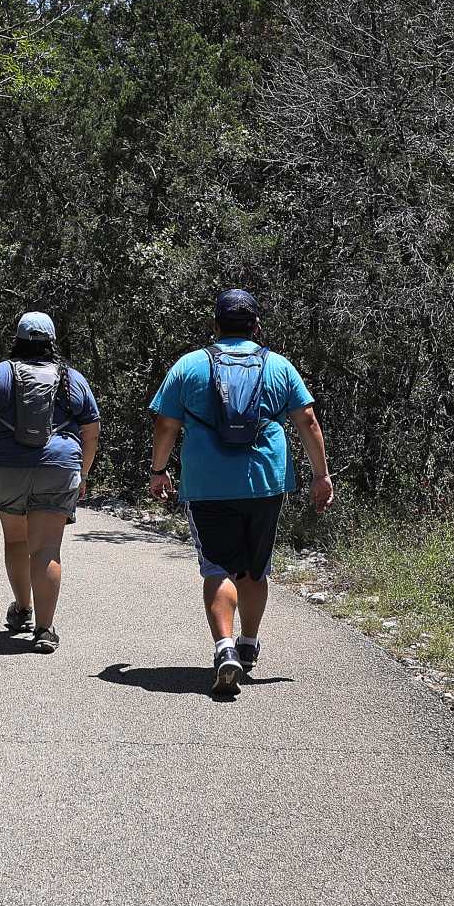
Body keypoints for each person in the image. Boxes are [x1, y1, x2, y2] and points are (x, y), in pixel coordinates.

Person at [148, 290, 333, 694]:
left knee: (218, 567)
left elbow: (166, 425)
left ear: (215, 325)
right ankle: (248, 644)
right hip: (265, 481)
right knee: (254, 566)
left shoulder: (189, 366)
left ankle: (225, 648)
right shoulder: (279, 367)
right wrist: (321, 475)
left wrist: (159, 470)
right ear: (256, 326)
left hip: (208, 484)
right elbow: (307, 419)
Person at [0, 312, 101, 653]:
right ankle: (45, 630)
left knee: (17, 540)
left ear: (17, 340)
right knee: (47, 547)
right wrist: (83, 473)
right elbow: (91, 433)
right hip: (59, 467)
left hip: (9, 469)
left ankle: (22, 608)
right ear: (52, 342)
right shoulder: (72, 379)